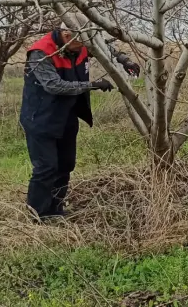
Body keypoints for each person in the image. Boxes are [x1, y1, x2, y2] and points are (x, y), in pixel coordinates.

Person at [21, 23, 141, 221]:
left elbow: (105, 49)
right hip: (40, 117)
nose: (85, 48)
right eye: (81, 43)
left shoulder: (82, 41)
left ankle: (55, 210)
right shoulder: (41, 52)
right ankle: (38, 215)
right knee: (46, 167)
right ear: (66, 35)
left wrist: (125, 61)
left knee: (66, 164)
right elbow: (54, 85)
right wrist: (91, 85)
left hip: (67, 114)